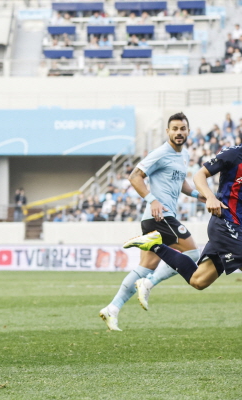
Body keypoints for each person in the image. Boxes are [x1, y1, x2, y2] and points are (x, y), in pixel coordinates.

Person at [99, 112, 205, 331]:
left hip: (157, 219)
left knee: (145, 267)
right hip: (160, 216)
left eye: (182, 129)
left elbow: (181, 182)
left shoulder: (183, 155)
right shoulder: (160, 153)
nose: (179, 132)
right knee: (192, 253)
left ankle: (112, 308)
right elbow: (134, 176)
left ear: (188, 131)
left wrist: (198, 195)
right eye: (174, 129)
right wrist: (152, 199)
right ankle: (149, 284)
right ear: (168, 131)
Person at [126, 141, 242, 292]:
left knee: (198, 281)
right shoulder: (234, 154)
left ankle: (154, 245)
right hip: (227, 222)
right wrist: (210, 197)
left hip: (238, 227)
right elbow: (199, 175)